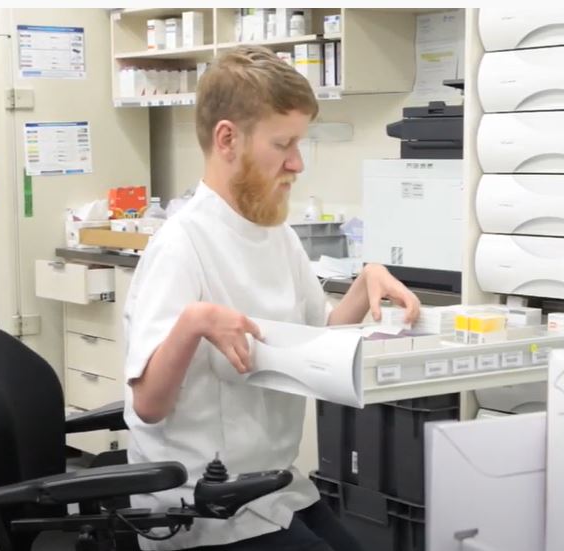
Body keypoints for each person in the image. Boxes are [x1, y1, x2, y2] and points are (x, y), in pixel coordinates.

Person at [122, 45, 422, 551]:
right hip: (201, 506)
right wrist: (194, 322)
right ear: (227, 140)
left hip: (271, 485)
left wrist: (364, 282)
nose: (297, 162)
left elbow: (314, 341)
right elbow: (148, 406)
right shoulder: (182, 244)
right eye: (283, 143)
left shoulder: (276, 234)